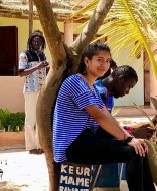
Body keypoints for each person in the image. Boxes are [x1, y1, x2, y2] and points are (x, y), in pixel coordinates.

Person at [53, 42, 155, 191]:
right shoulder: (76, 82)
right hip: (71, 146)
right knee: (133, 153)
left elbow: (108, 116)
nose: (104, 65)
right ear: (87, 61)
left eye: (107, 61)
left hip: (87, 140)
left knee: (140, 148)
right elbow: (99, 117)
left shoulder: (92, 86)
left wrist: (131, 138)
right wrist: (128, 138)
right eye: (99, 60)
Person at [95, 65, 155, 139]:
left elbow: (109, 125)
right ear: (120, 79)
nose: (127, 92)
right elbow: (98, 130)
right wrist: (131, 135)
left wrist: (134, 129)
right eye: (129, 86)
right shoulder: (97, 93)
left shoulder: (109, 94)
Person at [19, 30, 49, 155]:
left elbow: (44, 72)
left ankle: (40, 145)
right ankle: (31, 147)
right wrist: (37, 66)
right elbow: (21, 73)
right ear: (30, 42)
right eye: (34, 40)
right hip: (31, 90)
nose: (36, 42)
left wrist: (46, 68)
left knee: (40, 119)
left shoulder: (42, 55)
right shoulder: (24, 54)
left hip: (42, 90)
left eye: (39, 41)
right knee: (30, 118)